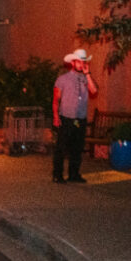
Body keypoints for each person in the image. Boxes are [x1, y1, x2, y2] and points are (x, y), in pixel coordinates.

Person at [52, 48, 98, 183]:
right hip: (66, 117)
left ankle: (74, 174)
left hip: (80, 118)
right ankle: (57, 175)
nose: (82, 64)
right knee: (61, 147)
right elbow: (56, 99)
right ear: (73, 62)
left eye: (84, 62)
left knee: (77, 148)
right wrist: (56, 116)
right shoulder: (63, 79)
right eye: (79, 61)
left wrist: (88, 74)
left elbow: (94, 91)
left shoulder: (86, 78)